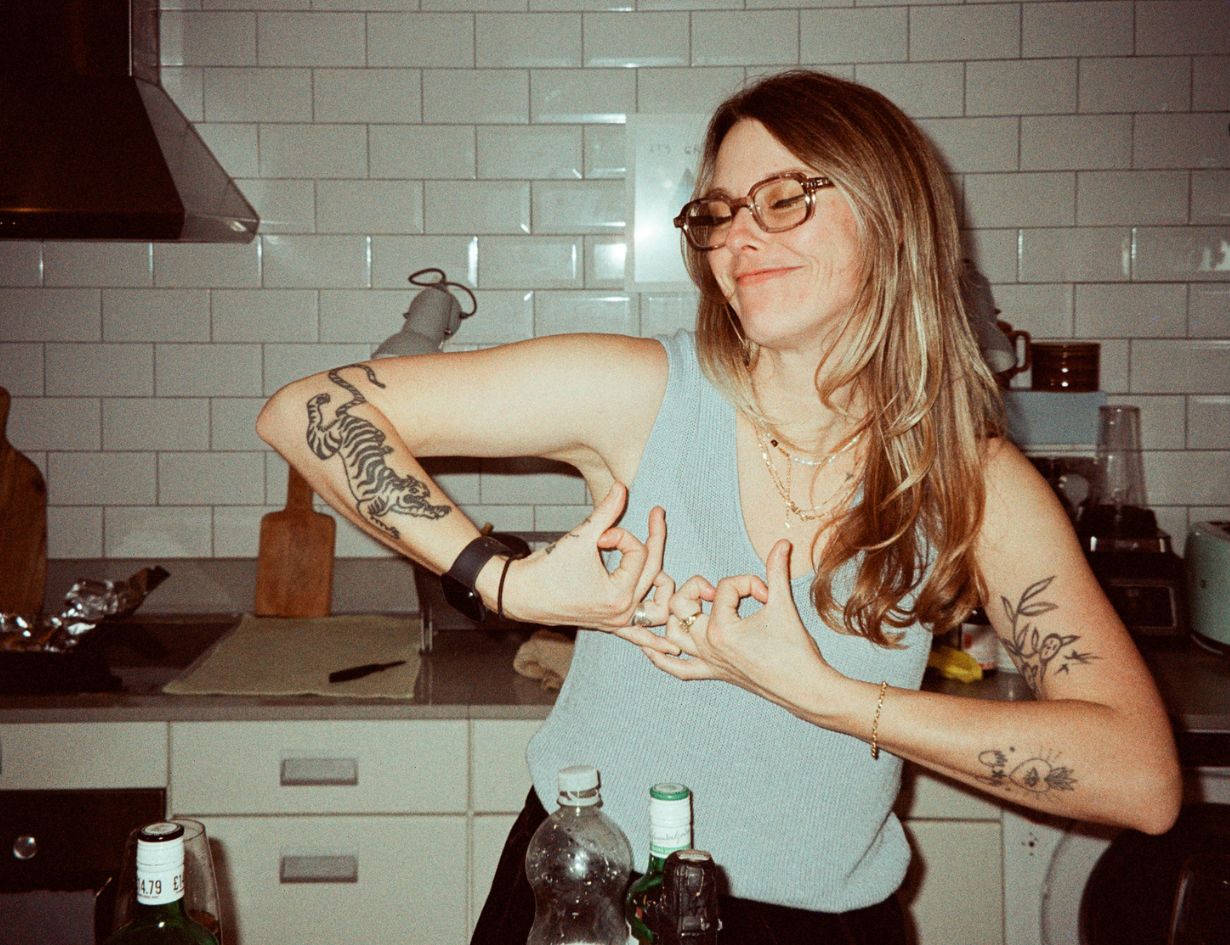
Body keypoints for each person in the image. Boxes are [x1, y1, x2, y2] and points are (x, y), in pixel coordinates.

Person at [256, 70, 1181, 945]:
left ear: (891, 216)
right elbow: (308, 409)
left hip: (826, 924)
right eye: (718, 214)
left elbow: (1140, 779)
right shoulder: (644, 391)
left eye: (783, 200)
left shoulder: (970, 481)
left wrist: (825, 695)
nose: (739, 239)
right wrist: (506, 583)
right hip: (593, 901)